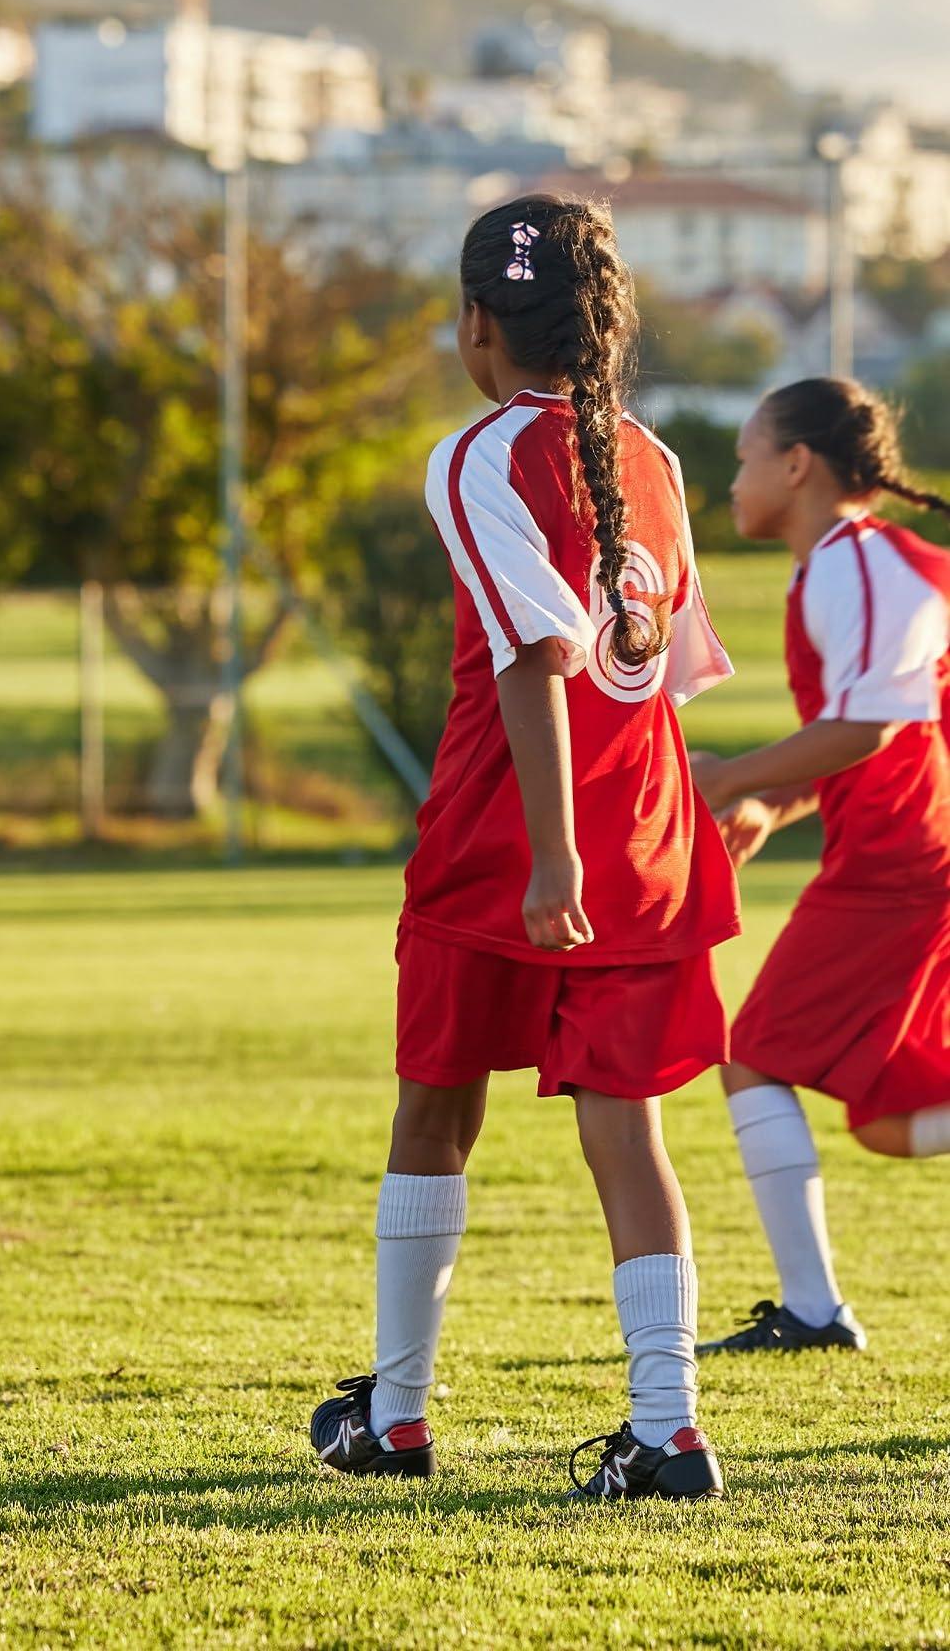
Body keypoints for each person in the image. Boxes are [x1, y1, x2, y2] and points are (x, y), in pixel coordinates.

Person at [307, 195, 739, 1502]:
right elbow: (669, 673)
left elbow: (539, 656)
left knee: (437, 1105)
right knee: (630, 1129)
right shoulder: (652, 457)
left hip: (508, 838)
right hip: (647, 836)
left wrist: (553, 854)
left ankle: (396, 1418)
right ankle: (666, 1431)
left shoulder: (479, 452)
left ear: (476, 323)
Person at [692, 378, 950, 1356]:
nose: (734, 482)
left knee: (754, 1055)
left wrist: (729, 780)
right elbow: (878, 727)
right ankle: (812, 1310)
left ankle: (812, 1313)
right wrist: (777, 799)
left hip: (905, 866)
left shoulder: (857, 564)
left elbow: (875, 726)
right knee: (890, 1120)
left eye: (745, 457)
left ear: (796, 465)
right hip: (901, 858)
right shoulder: (845, 569)